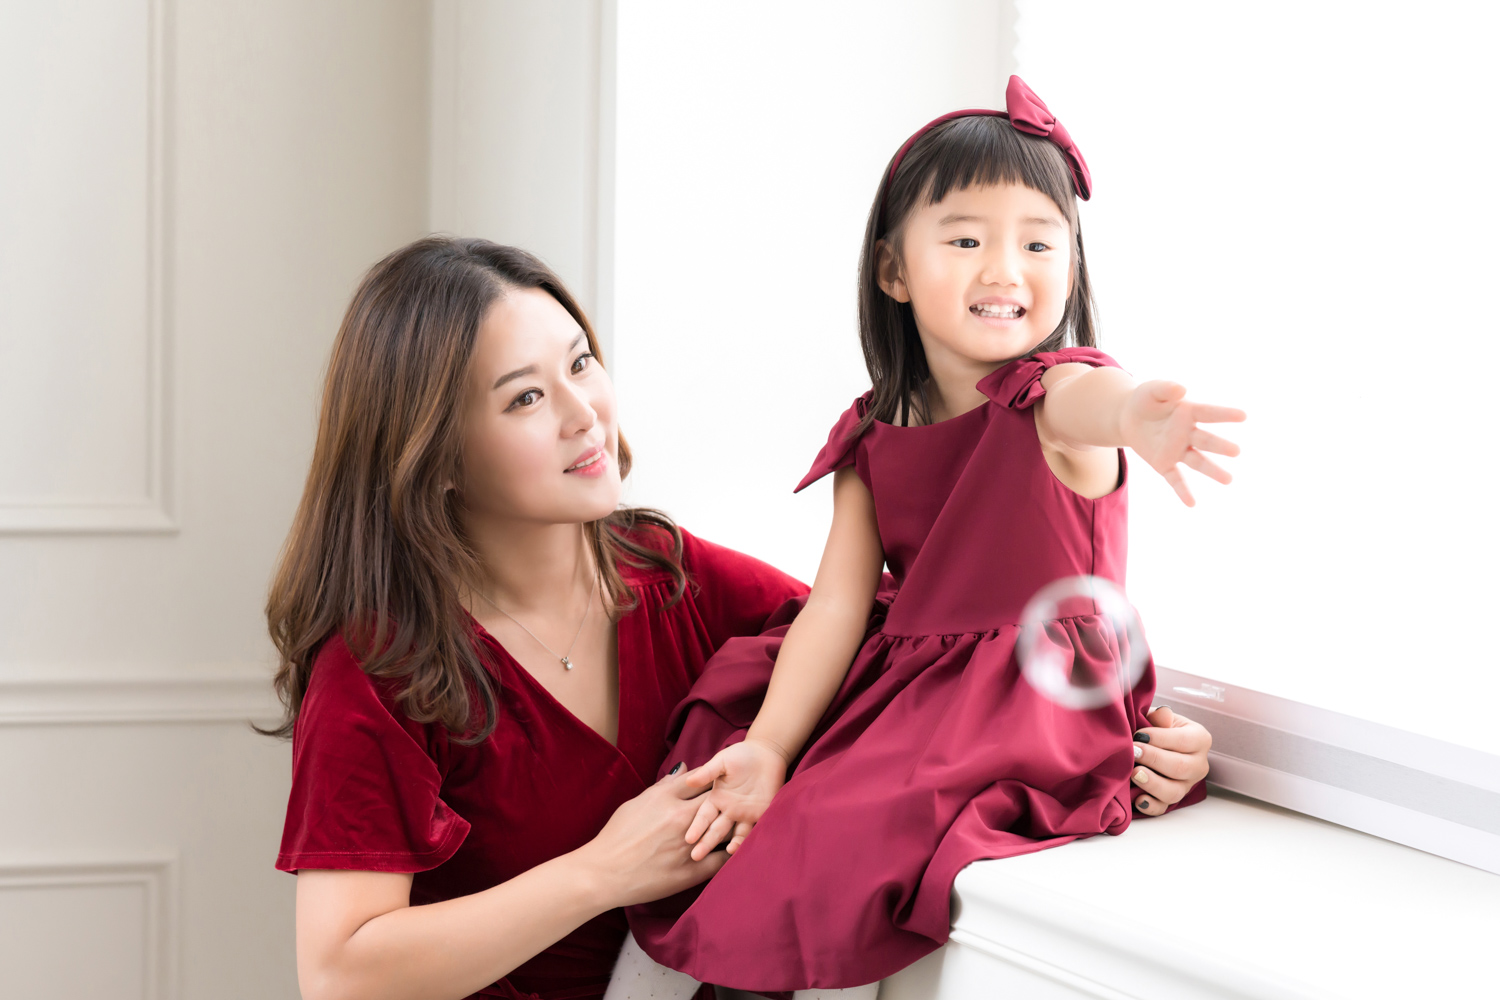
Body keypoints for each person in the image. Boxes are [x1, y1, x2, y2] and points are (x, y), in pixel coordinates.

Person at [266, 234, 1211, 1000]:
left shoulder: (672, 578)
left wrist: (1110, 736)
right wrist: (605, 871)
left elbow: (916, 668)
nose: (583, 413)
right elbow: (342, 972)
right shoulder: (379, 672)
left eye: (581, 363)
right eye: (524, 398)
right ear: (435, 454)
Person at [616, 77, 1236, 996]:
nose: (1004, 268)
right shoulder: (876, 429)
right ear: (893, 272)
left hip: (1024, 688)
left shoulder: (1055, 398)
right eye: (966, 239)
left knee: (835, 823)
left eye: (1038, 241)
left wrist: (1136, 417)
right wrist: (772, 747)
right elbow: (835, 605)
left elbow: (1089, 398)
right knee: (733, 722)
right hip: (914, 671)